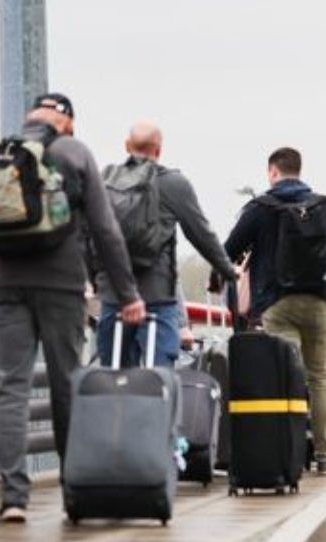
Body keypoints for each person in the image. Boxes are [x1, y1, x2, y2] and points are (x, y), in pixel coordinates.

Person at [0, 93, 145, 523]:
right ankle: (74, 492)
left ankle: (13, 497)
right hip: (60, 284)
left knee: (11, 387)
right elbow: (105, 229)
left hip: (2, 285)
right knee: (66, 385)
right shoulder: (75, 152)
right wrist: (129, 294)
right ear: (68, 122)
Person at [223, 147, 326, 474]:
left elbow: (229, 250)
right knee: (320, 377)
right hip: (321, 301)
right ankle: (324, 457)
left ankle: (289, 454)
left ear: (272, 172)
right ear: (299, 170)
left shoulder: (260, 208)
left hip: (277, 302)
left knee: (286, 378)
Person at [94, 121, 236, 368]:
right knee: (160, 379)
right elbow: (200, 233)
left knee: (113, 378)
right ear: (158, 150)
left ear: (127, 146)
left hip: (114, 295)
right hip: (157, 295)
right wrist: (227, 270)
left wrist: (97, 279)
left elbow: (89, 233)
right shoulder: (173, 183)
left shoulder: (104, 181)